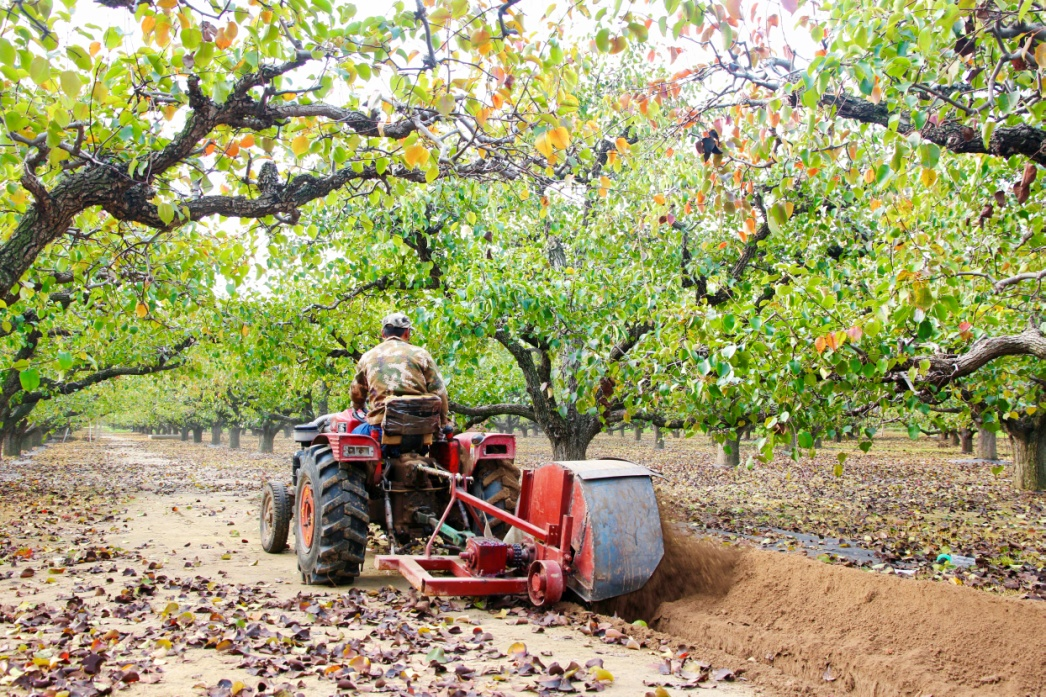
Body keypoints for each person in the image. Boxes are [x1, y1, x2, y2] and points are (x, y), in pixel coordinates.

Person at [350, 312, 449, 441]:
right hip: (420, 432)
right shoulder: (421, 354)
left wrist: (358, 406)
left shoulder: (367, 357)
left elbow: (357, 393)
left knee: (352, 435)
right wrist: (443, 424)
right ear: (407, 333)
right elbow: (439, 392)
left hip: (381, 429)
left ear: (383, 333)